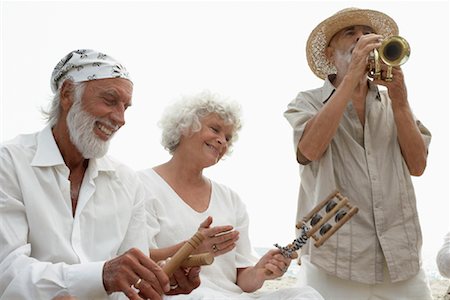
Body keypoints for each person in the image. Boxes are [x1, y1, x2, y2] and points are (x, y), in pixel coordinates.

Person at [0, 49, 200, 300]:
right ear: (67, 94)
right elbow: (6, 271)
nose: (121, 118)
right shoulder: (8, 162)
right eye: (109, 100)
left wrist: (162, 281)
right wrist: (101, 276)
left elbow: (129, 282)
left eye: (125, 107)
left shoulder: (128, 182)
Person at [283, 8, 432, 300]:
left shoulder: (394, 101)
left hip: (399, 257)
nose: (361, 37)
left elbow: (418, 165)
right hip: (334, 257)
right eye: (350, 33)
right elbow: (309, 150)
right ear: (329, 54)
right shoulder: (306, 102)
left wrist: (401, 102)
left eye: (366, 32)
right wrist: (350, 78)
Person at [138, 91, 324, 299]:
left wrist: (261, 271)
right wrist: (190, 248)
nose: (222, 142)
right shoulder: (142, 185)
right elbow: (139, 260)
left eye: (227, 138)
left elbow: (242, 279)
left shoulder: (230, 199)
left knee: (306, 295)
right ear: (185, 126)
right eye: (215, 129)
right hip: (180, 296)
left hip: (230, 296)